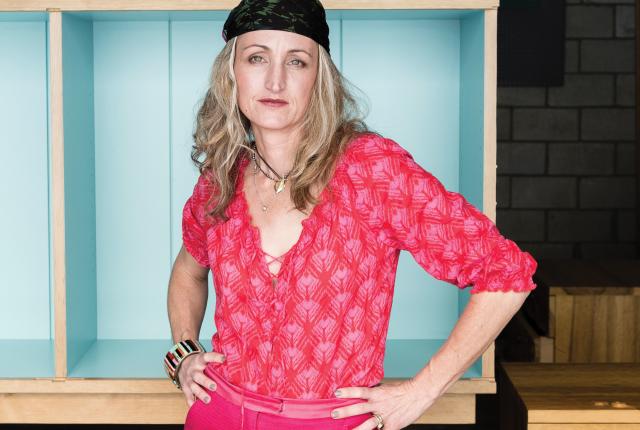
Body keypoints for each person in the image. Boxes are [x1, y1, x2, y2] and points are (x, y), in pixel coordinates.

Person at [165, 0, 538, 429]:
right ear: (231, 74)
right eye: (256, 58)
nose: (275, 79)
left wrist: (421, 392)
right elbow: (188, 270)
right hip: (220, 414)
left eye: (297, 61)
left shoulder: (371, 170)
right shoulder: (221, 180)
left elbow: (506, 272)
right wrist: (183, 353)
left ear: (318, 78)